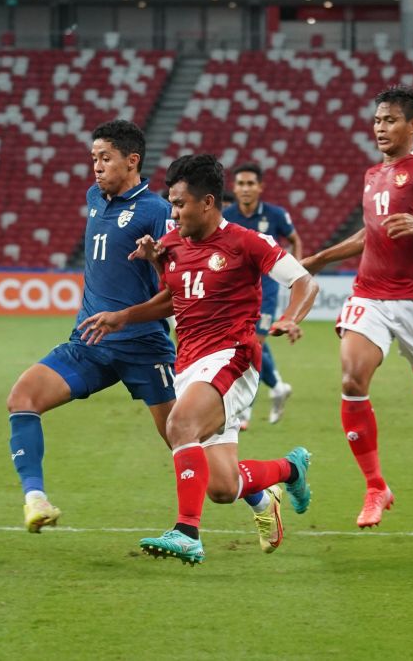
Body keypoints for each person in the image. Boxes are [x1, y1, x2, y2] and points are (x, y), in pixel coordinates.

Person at [81, 154, 320, 565]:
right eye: (171, 204)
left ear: (207, 203)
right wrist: (124, 315)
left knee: (180, 424)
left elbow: (304, 281)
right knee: (223, 487)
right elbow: (174, 299)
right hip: (190, 362)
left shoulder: (246, 242)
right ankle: (290, 469)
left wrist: (289, 318)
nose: (172, 213)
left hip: (234, 357)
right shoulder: (171, 244)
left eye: (179, 204)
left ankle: (187, 532)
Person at [300, 85, 413, 528]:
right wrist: (320, 259)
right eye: (378, 120)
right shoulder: (372, 174)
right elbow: (372, 234)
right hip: (370, 295)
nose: (380, 128)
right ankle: (376, 486)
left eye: (390, 120)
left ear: (412, 124)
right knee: (351, 376)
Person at [223, 162, 303, 429]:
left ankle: (244, 410)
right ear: (234, 188)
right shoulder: (228, 215)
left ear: (260, 187)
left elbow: (294, 239)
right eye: (241, 184)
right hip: (237, 291)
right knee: (249, 345)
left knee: (253, 344)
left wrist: (296, 270)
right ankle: (278, 385)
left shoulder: (276, 214)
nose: (245, 189)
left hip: (266, 292)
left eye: (250, 184)